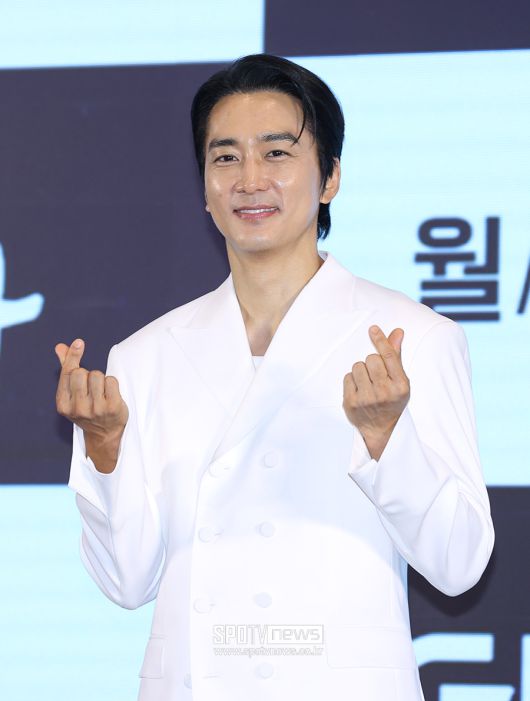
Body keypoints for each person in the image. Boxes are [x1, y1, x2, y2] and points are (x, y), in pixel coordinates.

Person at [56, 54, 494, 701]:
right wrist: (104, 448)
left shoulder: (414, 338)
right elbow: (127, 582)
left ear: (330, 177)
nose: (250, 180)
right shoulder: (143, 357)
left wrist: (386, 439)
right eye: (225, 157)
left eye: (277, 153)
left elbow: (459, 565)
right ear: (204, 186)